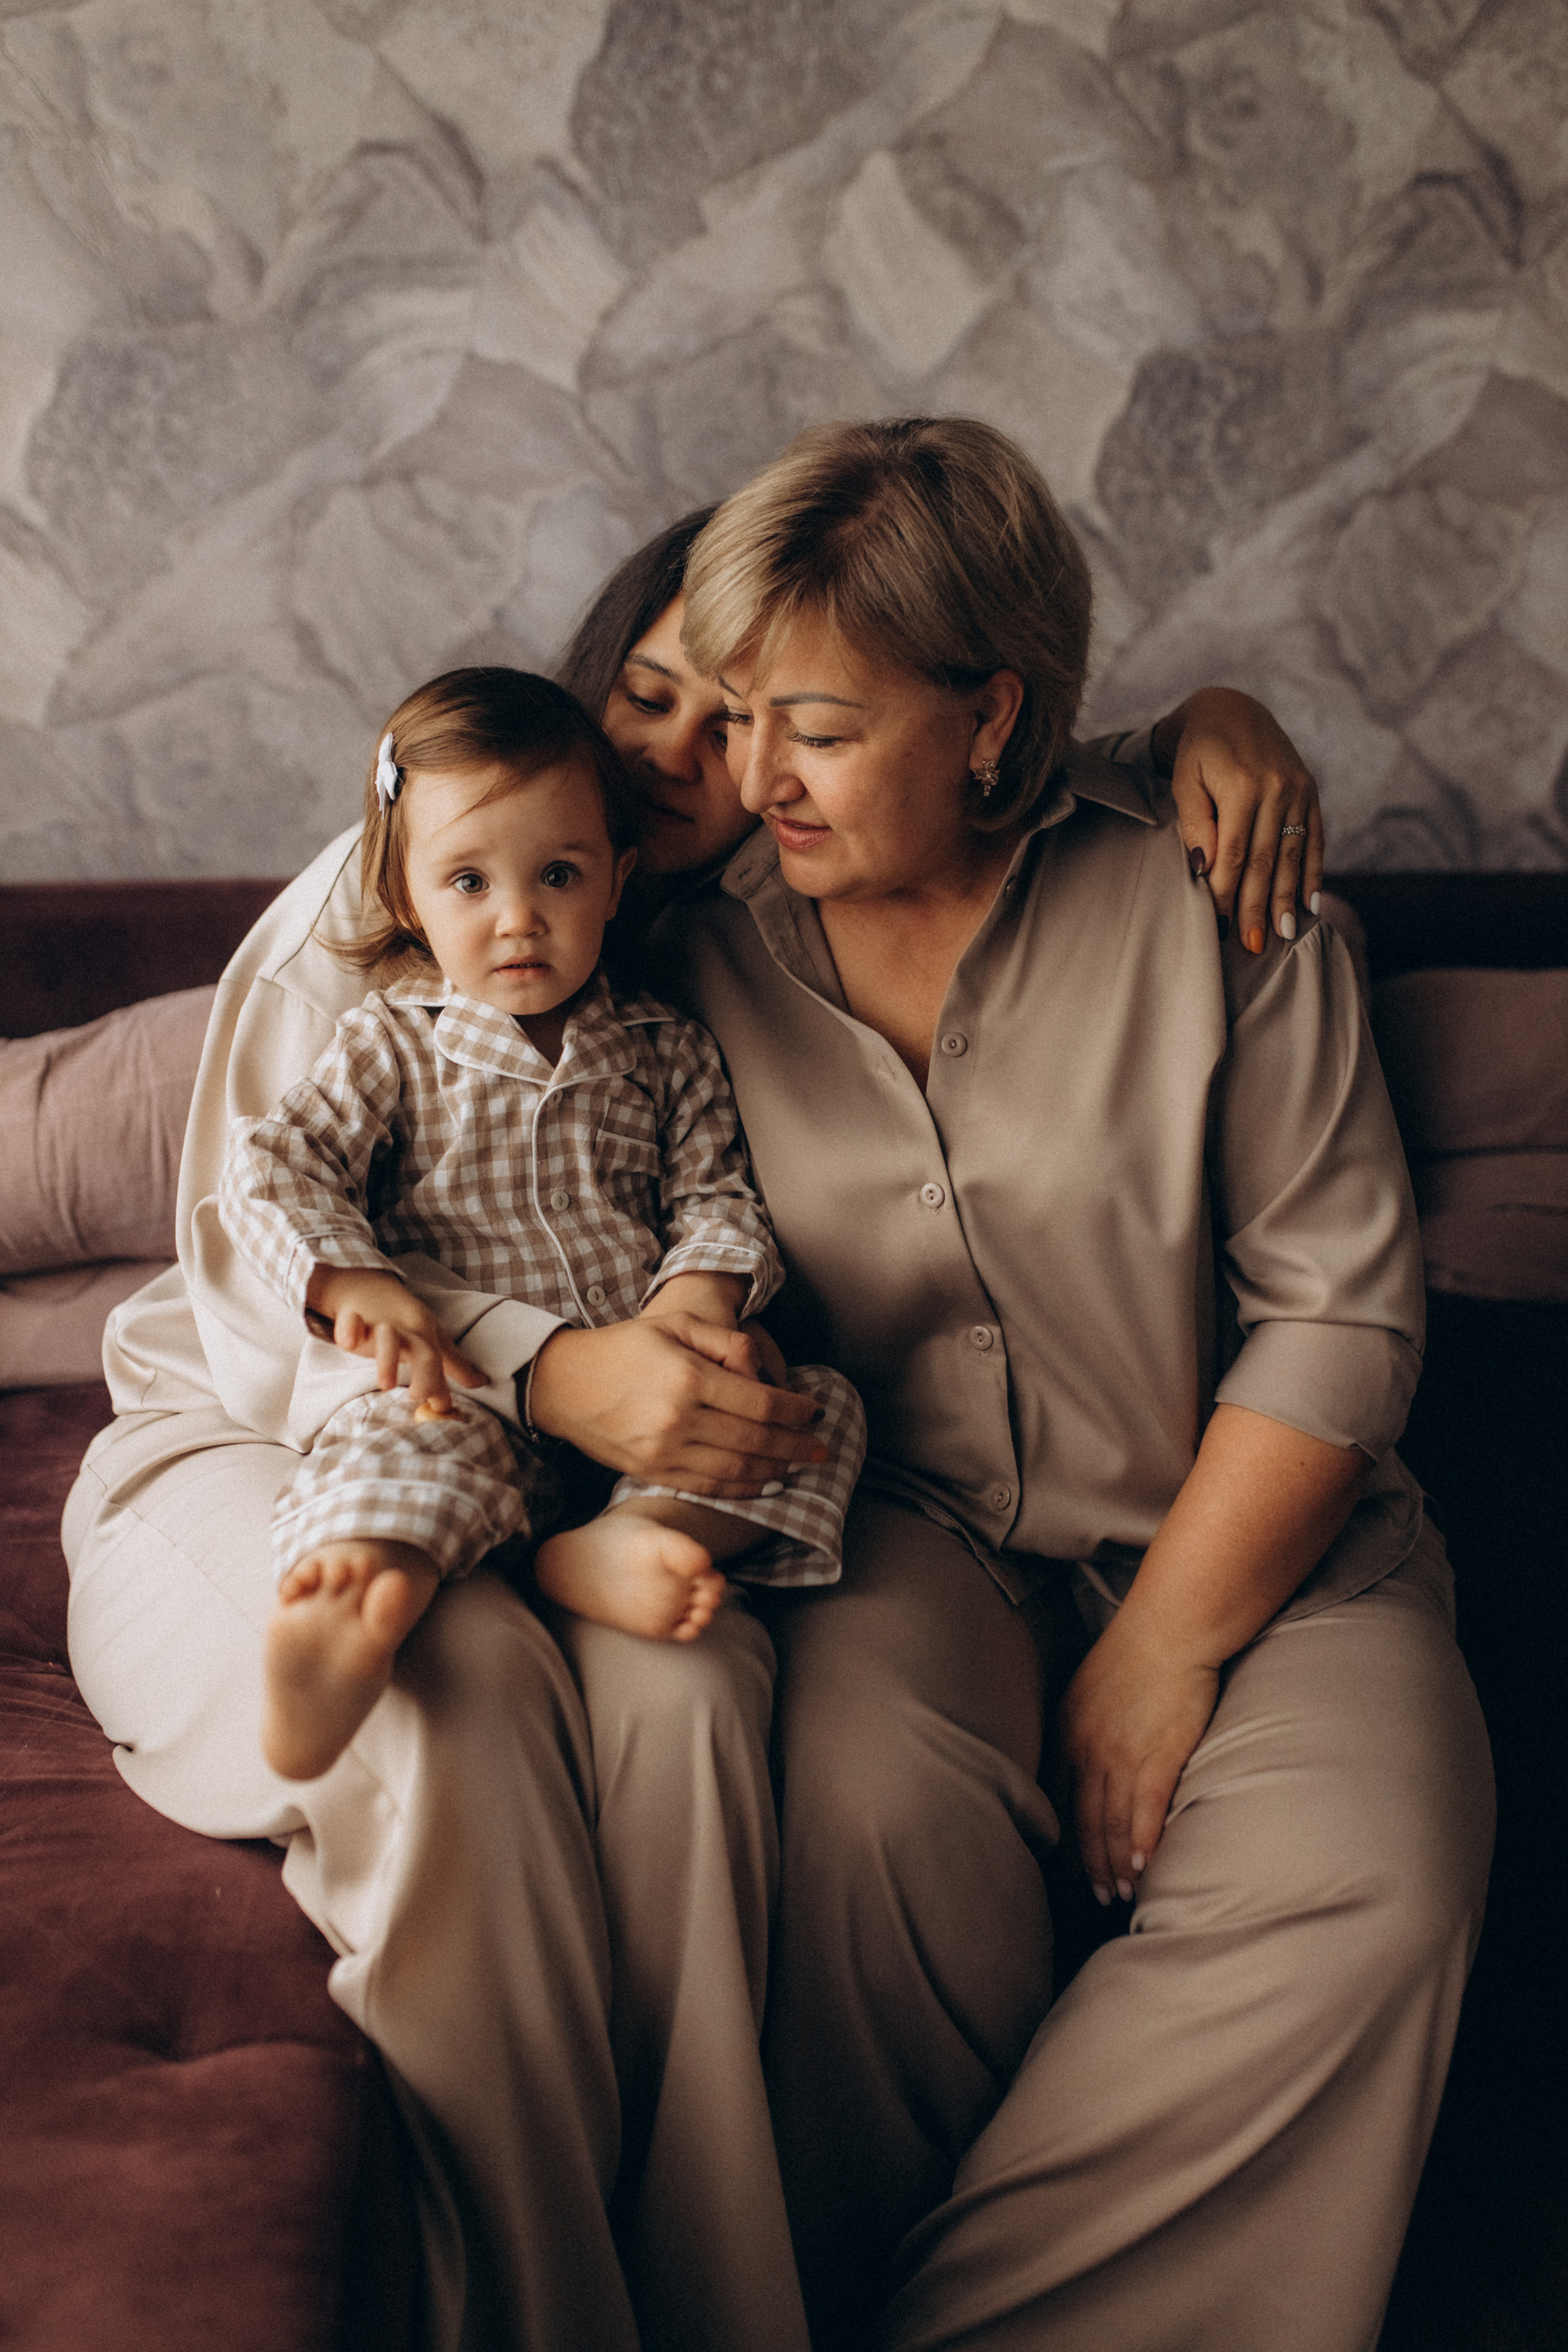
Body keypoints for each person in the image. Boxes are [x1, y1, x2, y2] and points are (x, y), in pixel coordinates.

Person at [62, 443, 1341, 2352]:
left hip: (558, 1504)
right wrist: (555, 1366)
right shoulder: (425, 885)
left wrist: (1222, 726)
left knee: (684, 1691)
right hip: (281, 1443)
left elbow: (1013, 782)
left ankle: (733, 2305)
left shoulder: (713, 946)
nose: (687, 752)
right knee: (450, 1703)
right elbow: (236, 1241)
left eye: (738, 714)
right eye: (648, 695)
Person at [663, 415, 1494, 2352]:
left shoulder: (1212, 876)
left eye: (819, 725)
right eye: (735, 715)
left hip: (1279, 1540)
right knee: (859, 1824)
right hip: (914, 1541)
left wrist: (1160, 1649)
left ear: (989, 716)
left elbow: (1339, 1310)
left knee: (1378, 1887)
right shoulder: (682, 945)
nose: (755, 774)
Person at [223, 668, 862, 1781]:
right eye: (468, 880)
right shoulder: (392, 1044)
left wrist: (694, 1304)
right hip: (470, 1386)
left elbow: (718, 1198)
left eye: (557, 875)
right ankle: (360, 1601)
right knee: (406, 1451)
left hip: (651, 1414)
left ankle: (629, 1540)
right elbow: (278, 1166)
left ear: (617, 883)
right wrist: (353, 1284)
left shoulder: (665, 1048)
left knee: (821, 1412)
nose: (518, 917)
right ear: (410, 897)